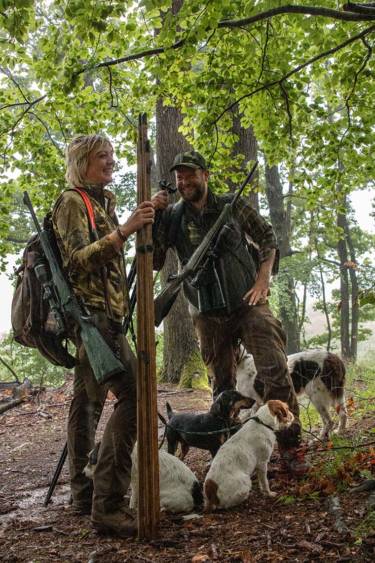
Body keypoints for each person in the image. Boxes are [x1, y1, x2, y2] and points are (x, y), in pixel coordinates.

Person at [152, 150, 308, 476]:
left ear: (205, 175)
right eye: (179, 177)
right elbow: (153, 259)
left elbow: (267, 236)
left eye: (190, 174)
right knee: (222, 387)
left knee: (275, 371)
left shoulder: (231, 205)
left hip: (247, 303)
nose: (184, 182)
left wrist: (263, 279)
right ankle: (230, 451)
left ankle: (292, 448)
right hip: (206, 313)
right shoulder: (173, 216)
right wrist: (154, 215)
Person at [52, 134, 162, 537]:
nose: (111, 162)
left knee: (85, 405)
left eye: (113, 155)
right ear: (82, 162)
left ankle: (82, 494)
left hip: (106, 318)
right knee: (136, 398)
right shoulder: (71, 202)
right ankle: (109, 505)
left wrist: (137, 219)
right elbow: (78, 261)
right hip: (93, 320)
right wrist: (126, 231)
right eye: (103, 156)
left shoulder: (101, 202)